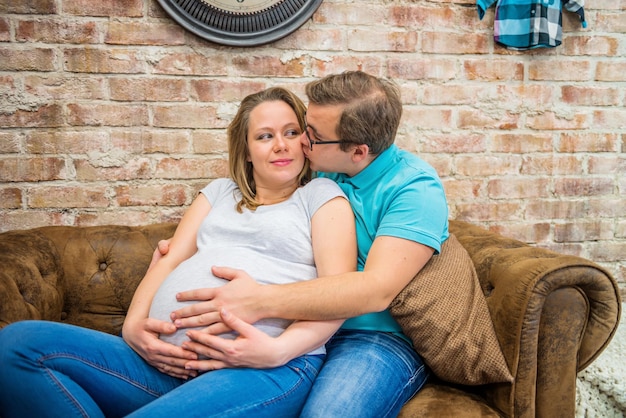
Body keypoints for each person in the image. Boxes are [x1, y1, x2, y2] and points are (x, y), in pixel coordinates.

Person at [0, 87, 357, 418]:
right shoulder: (219, 192)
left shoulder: (320, 196)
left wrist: (276, 351)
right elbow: (169, 259)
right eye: (265, 136)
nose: (280, 145)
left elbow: (338, 295)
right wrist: (133, 327)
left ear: (306, 141)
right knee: (17, 346)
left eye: (291, 132)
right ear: (246, 150)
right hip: (165, 365)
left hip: (263, 368)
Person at [150, 71, 450, 417]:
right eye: (304, 127)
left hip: (370, 337)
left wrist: (260, 304)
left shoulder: (414, 190)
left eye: (312, 136)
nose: (300, 143)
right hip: (300, 327)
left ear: (358, 151)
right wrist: (184, 255)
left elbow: (374, 290)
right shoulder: (324, 166)